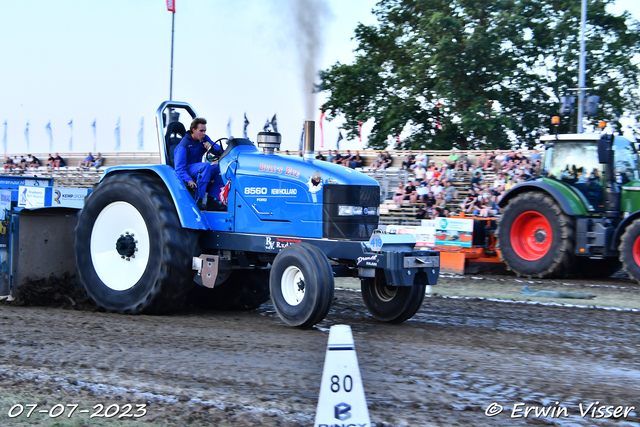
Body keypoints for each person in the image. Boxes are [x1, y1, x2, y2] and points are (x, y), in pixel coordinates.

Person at [174, 117, 224, 211]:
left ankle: (213, 200)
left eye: (205, 131)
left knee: (221, 169)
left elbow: (218, 149)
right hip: (188, 169)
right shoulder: (184, 144)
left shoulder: (204, 139)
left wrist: (211, 148)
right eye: (201, 131)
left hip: (199, 168)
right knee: (206, 166)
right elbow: (179, 168)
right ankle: (199, 199)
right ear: (193, 130)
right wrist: (188, 180)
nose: (204, 133)